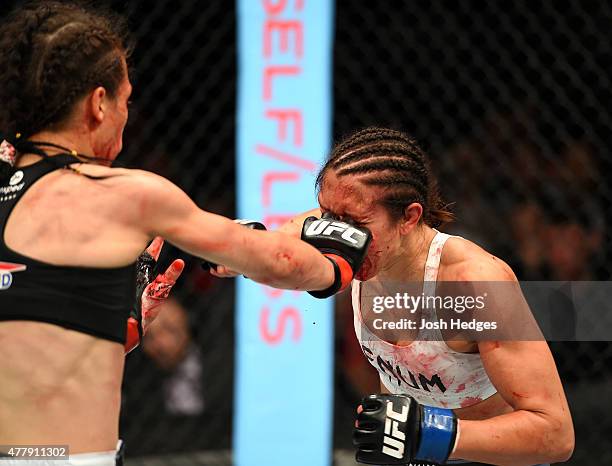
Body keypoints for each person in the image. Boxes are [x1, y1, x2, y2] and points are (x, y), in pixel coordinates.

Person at [0, 2, 369, 464]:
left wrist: (109, 329)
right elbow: (281, 262)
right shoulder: (122, 194)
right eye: (125, 100)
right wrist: (340, 264)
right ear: (98, 104)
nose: (125, 117)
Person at [238, 127, 574, 466]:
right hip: (412, 455)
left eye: (356, 222)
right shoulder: (347, 229)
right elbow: (273, 246)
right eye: (328, 215)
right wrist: (231, 254)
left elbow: (555, 433)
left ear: (409, 217)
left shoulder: (473, 281)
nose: (339, 235)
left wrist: (432, 433)